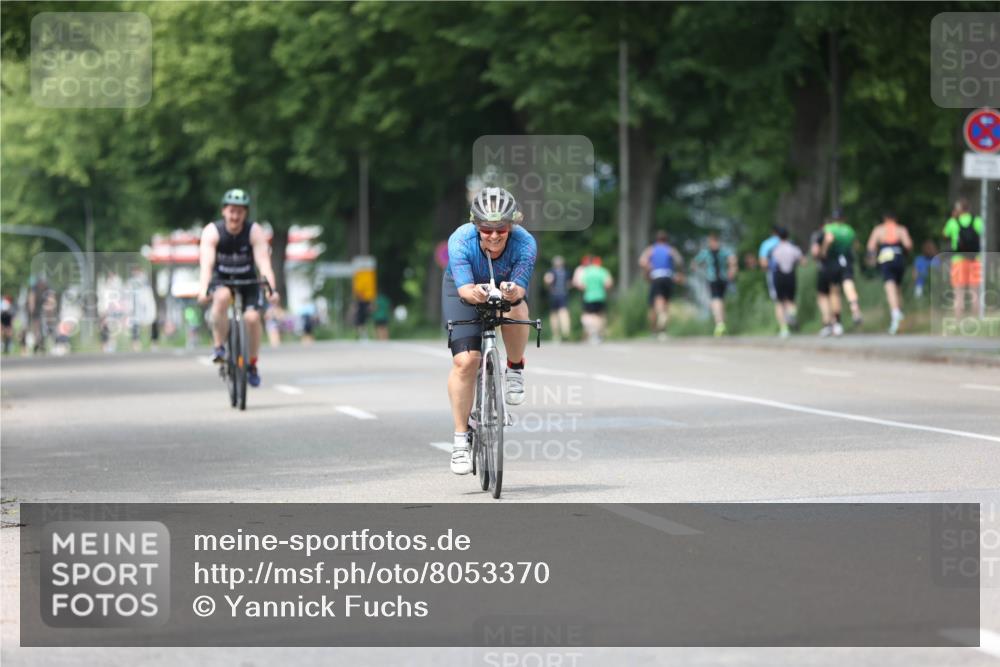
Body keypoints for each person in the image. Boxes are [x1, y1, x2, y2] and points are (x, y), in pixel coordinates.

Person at [443, 187, 537, 475]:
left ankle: (515, 369)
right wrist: (480, 293)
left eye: (502, 229)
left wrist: (509, 291)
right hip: (465, 290)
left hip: (506, 290)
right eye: (486, 229)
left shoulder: (525, 243)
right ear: (476, 226)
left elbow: (520, 288)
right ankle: (461, 441)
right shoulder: (461, 240)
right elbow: (465, 291)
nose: (494, 236)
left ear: (513, 225)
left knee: (518, 307)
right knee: (466, 361)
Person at [197, 188, 280, 387]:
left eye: (240, 212)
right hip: (222, 279)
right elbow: (206, 264)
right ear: (224, 211)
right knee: (222, 297)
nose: (235, 216)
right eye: (232, 211)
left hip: (247, 280)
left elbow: (264, 263)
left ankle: (252, 363)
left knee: (252, 318)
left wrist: (272, 290)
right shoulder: (212, 231)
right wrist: (203, 289)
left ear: (246, 213)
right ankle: (219, 347)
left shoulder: (254, 231)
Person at [866, 212, 913, 335]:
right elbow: (908, 245)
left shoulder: (879, 230)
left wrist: (872, 259)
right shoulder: (901, 229)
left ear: (884, 219)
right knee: (898, 288)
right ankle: (898, 322)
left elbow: (871, 246)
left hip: (886, 258)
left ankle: (895, 314)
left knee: (890, 287)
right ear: (895, 219)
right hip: (899, 258)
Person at [820, 210, 863, 328]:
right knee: (848, 283)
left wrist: (823, 251)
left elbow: (828, 239)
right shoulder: (849, 230)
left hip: (833, 261)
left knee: (834, 290)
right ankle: (855, 308)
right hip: (847, 260)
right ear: (843, 219)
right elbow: (856, 245)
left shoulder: (830, 228)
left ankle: (837, 321)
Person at [942, 198, 984, 318]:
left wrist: (952, 217)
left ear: (958, 210)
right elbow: (983, 234)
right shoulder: (977, 220)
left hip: (958, 260)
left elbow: (945, 234)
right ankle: (976, 319)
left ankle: (958, 320)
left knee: (958, 291)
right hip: (975, 259)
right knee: (975, 291)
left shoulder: (953, 222)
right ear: (968, 208)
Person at [638, 231, 684, 339]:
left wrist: (648, 268)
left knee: (655, 304)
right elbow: (679, 261)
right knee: (666, 303)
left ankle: (657, 328)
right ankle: (663, 330)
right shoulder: (670, 249)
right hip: (668, 277)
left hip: (656, 277)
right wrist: (678, 273)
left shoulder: (651, 249)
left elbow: (642, 261)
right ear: (666, 240)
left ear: (656, 240)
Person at [692, 233, 737, 336]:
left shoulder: (706, 252)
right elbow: (733, 260)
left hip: (713, 279)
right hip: (722, 278)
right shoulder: (723, 251)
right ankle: (721, 323)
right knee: (720, 300)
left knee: (716, 301)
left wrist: (700, 272)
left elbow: (695, 263)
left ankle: (719, 323)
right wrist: (732, 270)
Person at [768, 227, 804, 338]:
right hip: (790, 275)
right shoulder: (793, 248)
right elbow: (803, 261)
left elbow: (768, 264)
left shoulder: (774, 249)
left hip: (778, 276)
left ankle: (784, 328)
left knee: (779, 302)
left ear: (778, 237)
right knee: (790, 300)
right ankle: (792, 314)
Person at [576, 256, 614, 343]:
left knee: (588, 315)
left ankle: (593, 333)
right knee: (600, 315)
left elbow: (581, 285)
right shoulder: (602, 271)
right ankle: (599, 334)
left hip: (589, 297)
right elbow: (609, 283)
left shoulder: (586, 272)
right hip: (600, 296)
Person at [543, 256, 571, 342]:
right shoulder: (566, 272)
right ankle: (566, 331)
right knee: (564, 312)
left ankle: (556, 335)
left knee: (554, 315)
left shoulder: (551, 272)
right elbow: (569, 284)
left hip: (554, 295)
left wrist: (548, 286)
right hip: (563, 294)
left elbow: (547, 280)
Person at [758, 225, 781, 303]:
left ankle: (782, 315)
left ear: (772, 233)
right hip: (789, 272)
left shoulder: (766, 244)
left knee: (777, 299)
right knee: (789, 299)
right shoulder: (787, 242)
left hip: (773, 272)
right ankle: (791, 314)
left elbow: (763, 263)